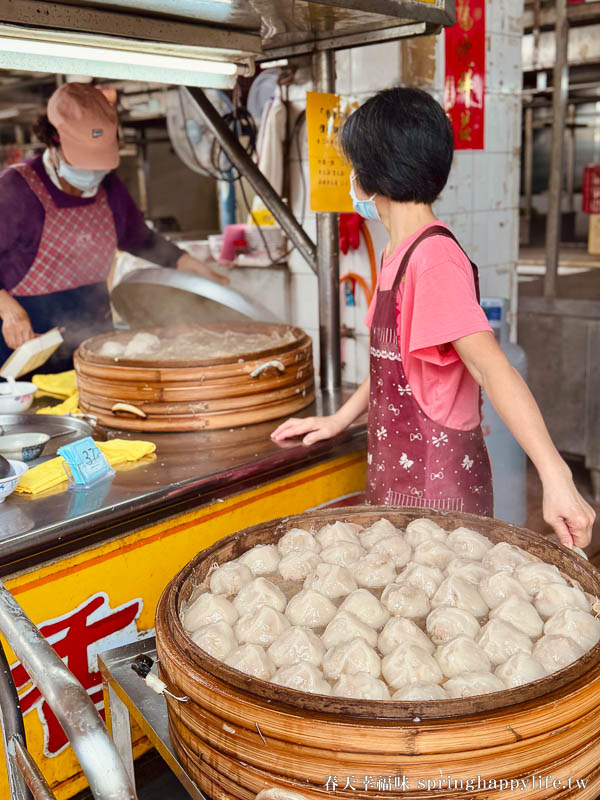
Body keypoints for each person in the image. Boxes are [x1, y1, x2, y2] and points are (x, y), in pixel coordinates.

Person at [272, 87, 595, 549]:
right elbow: (400, 361)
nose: (350, 178)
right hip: (398, 480)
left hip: (439, 495)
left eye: (353, 165)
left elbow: (491, 366)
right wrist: (340, 419)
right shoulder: (395, 252)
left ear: (371, 175)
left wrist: (555, 475)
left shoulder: (434, 258)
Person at [0, 82, 226, 371]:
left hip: (94, 348)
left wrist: (187, 264)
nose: (93, 175)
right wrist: (7, 310)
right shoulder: (16, 190)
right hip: (23, 357)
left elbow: (141, 239)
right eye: (84, 164)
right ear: (54, 142)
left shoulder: (110, 189)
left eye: (100, 166)